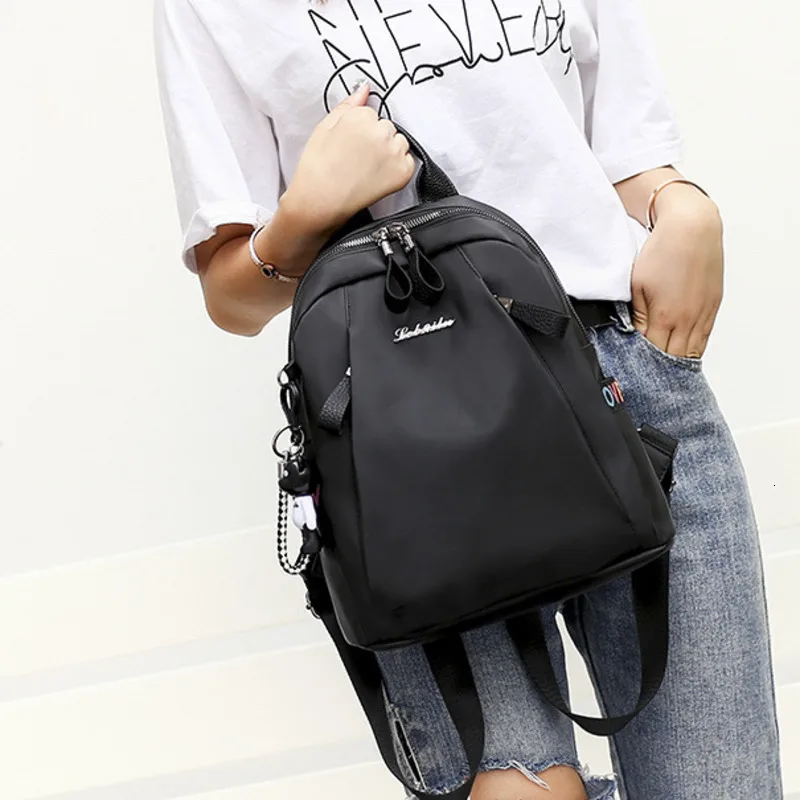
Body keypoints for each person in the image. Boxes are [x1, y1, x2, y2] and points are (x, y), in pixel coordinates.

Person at [153, 1, 782, 797]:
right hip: (415, 429)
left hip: (625, 372)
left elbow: (629, 153)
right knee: (519, 788)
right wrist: (301, 218)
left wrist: (685, 208)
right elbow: (231, 296)